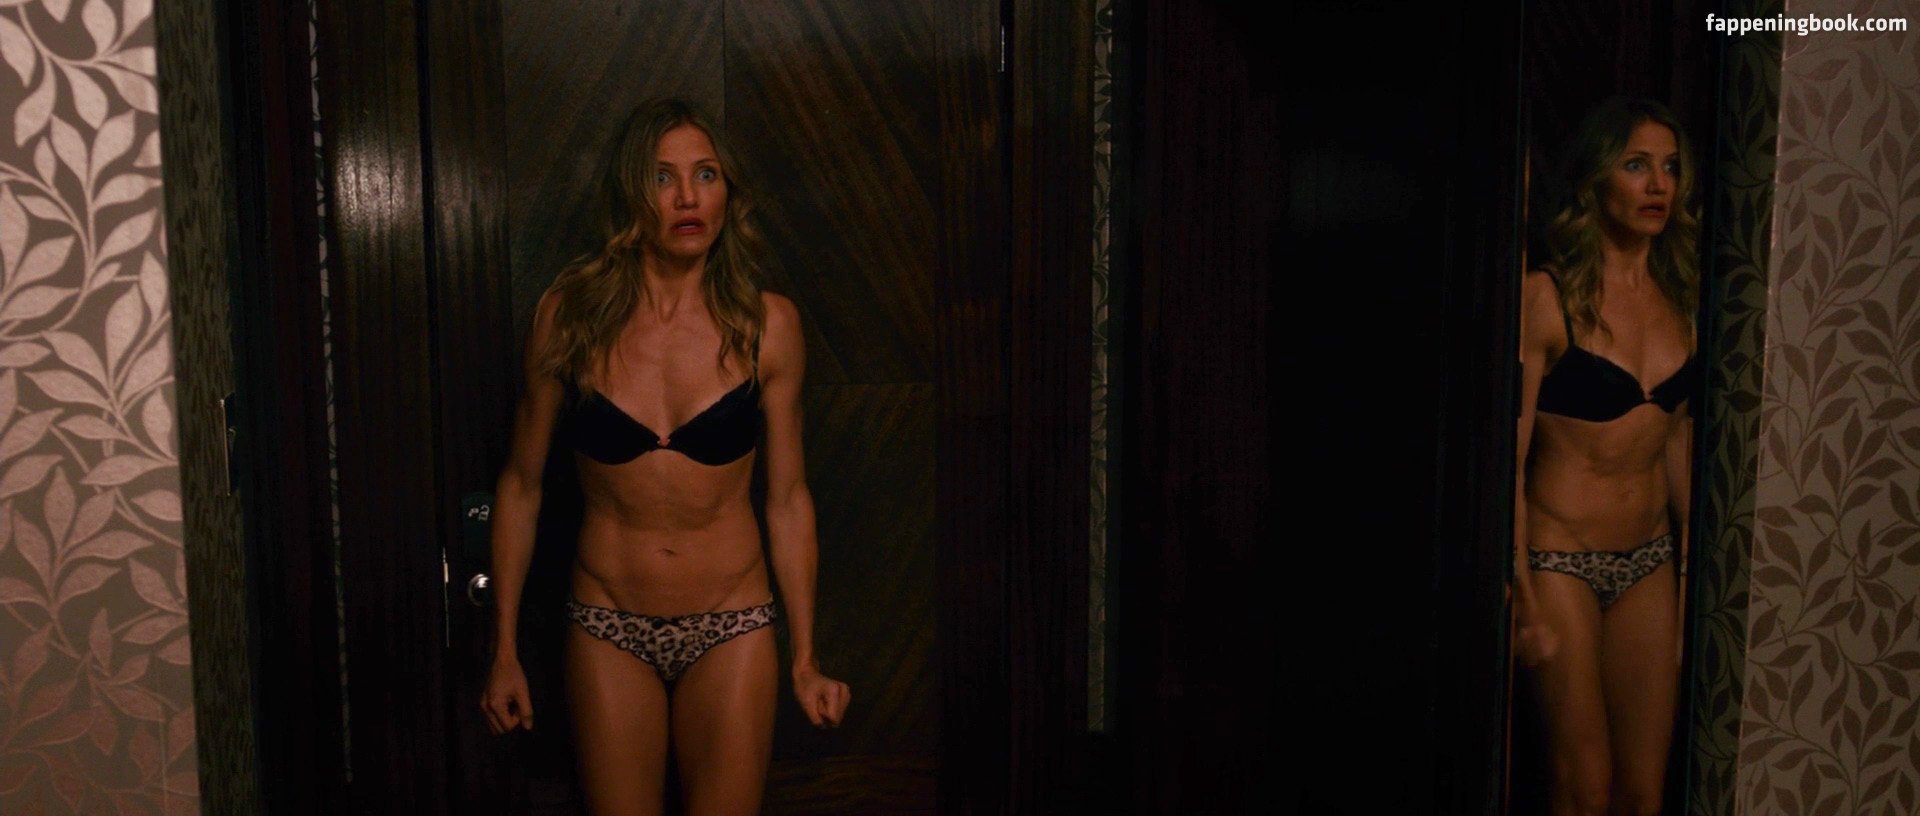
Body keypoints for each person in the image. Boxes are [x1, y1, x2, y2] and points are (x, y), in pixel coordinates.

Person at [479, 98, 852, 815]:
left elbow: (788, 499)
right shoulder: (568, 318)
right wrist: (504, 652)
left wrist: (805, 658)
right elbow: (521, 486)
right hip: (607, 622)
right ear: (631, 193)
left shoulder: (768, 325)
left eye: (706, 175)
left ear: (727, 192)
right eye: (662, 177)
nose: (688, 197)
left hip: (732, 621)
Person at [1513, 97, 1698, 816]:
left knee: (1642, 794)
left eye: (1670, 168)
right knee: (1583, 789)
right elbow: (1508, 461)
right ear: (1596, 179)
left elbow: (1674, 437)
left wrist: (1691, 575)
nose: (1658, 185)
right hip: (1559, 559)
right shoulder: (1546, 296)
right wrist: (1521, 597)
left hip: (1649, 559)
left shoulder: (1684, 296)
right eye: (1636, 165)